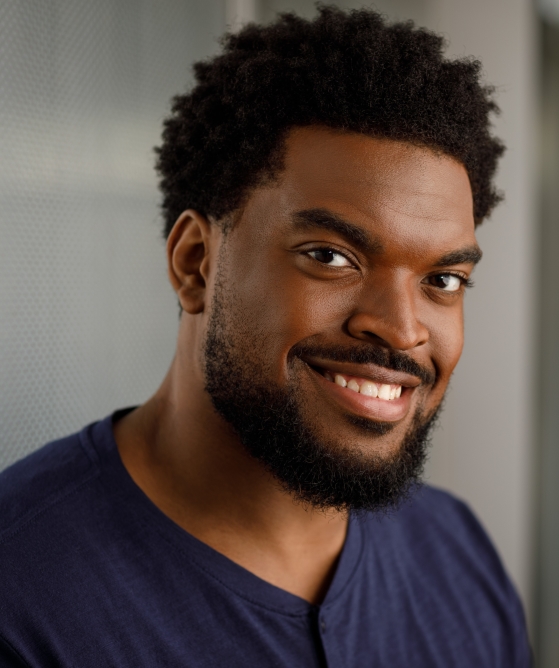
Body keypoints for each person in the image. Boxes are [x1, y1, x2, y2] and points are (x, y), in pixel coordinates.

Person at [0, 6, 531, 667]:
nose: (399, 329)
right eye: (330, 256)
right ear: (196, 261)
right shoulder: (21, 597)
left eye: (443, 281)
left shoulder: (455, 551)